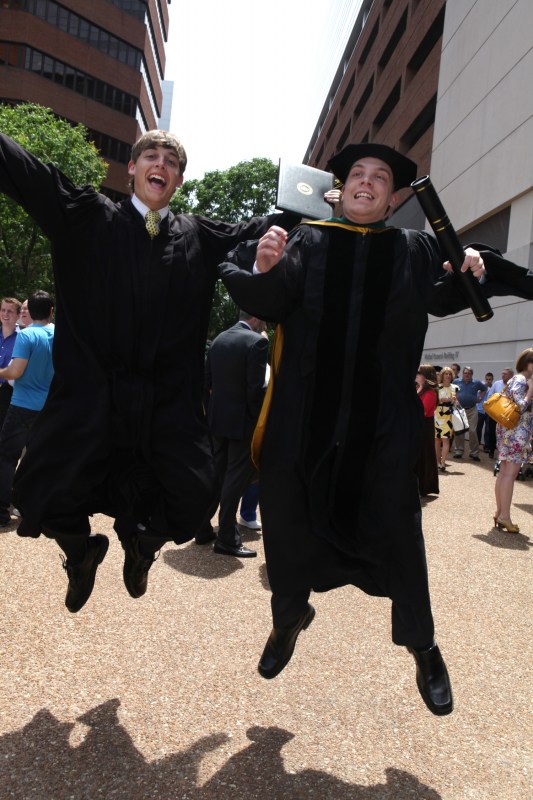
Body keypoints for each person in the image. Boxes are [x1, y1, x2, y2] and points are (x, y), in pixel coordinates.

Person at [218, 142, 533, 717]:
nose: (366, 181)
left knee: (398, 532)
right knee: (289, 520)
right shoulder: (307, 239)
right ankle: (288, 616)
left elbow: (446, 296)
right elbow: (273, 299)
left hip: (380, 426)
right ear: (339, 191)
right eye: (356, 174)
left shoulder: (413, 248)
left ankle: (424, 647)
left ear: (392, 199)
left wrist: (473, 269)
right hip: (304, 419)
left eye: (380, 177)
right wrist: (262, 267)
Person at [0, 129, 299, 613]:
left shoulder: (199, 236)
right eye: (151, 156)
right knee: (39, 489)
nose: (161, 165)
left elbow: (262, 228)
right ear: (132, 170)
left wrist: (317, 202)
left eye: (172, 162)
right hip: (90, 397)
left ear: (178, 180)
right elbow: (28, 172)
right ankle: (81, 553)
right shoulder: (87, 216)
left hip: (165, 404)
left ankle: (141, 545)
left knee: (197, 492)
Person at [198, 310, 268, 557]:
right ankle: (227, 538)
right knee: (235, 479)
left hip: (218, 420)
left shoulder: (219, 339)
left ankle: (202, 527)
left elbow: (205, 382)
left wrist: (212, 413)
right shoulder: (257, 342)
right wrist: (260, 423)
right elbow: (255, 392)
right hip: (243, 425)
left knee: (217, 474)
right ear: (257, 319)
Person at [0, 291, 54, 528]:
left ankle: (1, 512)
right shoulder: (58, 334)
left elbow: (15, 372)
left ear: (30, 310)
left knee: (6, 457)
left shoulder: (27, 336)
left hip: (22, 406)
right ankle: (36, 510)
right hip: (49, 407)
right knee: (39, 458)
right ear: (51, 311)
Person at [493, 348, 533, 533]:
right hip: (516, 433)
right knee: (509, 474)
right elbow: (519, 407)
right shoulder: (522, 380)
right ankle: (504, 516)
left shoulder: (516, 379)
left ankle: (501, 512)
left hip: (510, 432)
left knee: (504, 473)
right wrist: (531, 390)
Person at [452, 367, 487, 461]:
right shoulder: (456, 382)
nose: (467, 375)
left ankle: (474, 453)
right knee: (459, 430)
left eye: (469, 373)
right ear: (463, 373)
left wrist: (480, 397)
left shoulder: (476, 382)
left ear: (472, 374)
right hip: (459, 409)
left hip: (472, 410)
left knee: (472, 431)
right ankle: (459, 451)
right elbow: (452, 391)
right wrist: (455, 399)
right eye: (465, 373)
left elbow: (485, 389)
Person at [415, 364, 439, 495]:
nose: (416, 374)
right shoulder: (419, 388)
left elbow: (422, 411)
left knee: (424, 456)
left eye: (419, 372)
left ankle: (424, 486)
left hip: (424, 427)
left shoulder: (430, 392)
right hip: (417, 425)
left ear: (425, 376)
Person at [0, 296, 20, 430]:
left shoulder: (23, 338)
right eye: (3, 310)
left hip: (8, 394)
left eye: (10, 311)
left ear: (18, 315)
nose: (5, 314)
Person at [484, 367, 514, 458]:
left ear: (511, 376)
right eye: (502, 373)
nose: (503, 375)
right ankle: (491, 450)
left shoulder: (514, 385)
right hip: (495, 413)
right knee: (492, 432)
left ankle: (505, 452)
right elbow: (490, 396)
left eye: (505, 374)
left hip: (507, 414)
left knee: (506, 433)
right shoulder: (497, 384)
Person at [434, 366, 459, 470]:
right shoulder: (437, 387)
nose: (448, 376)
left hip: (448, 415)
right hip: (437, 414)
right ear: (442, 375)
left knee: (446, 440)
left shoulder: (455, 387)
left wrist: (454, 401)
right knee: (437, 440)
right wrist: (444, 400)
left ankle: (443, 463)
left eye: (449, 374)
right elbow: (435, 401)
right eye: (446, 374)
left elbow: (456, 402)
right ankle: (437, 462)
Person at [478, 371, 493, 450]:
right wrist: (484, 389)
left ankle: (486, 446)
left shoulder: (494, 387)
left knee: (488, 430)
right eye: (487, 379)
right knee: (478, 429)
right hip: (480, 410)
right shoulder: (482, 386)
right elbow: (479, 397)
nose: (488, 381)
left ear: (492, 380)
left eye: (489, 379)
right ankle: (477, 445)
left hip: (489, 411)